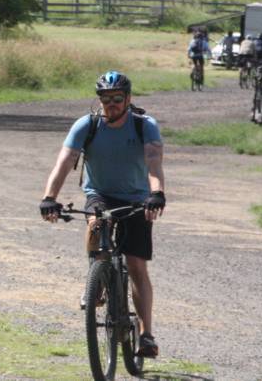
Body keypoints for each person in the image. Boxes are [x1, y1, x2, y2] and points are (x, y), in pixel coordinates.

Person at [38, 71, 166, 358]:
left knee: (136, 266)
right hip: (100, 193)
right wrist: (49, 198)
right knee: (95, 221)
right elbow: (64, 161)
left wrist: (156, 193)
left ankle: (146, 335)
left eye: (117, 98)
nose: (111, 104)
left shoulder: (145, 125)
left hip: (136, 198)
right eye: (105, 99)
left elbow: (154, 161)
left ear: (128, 99)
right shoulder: (87, 125)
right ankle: (95, 281)